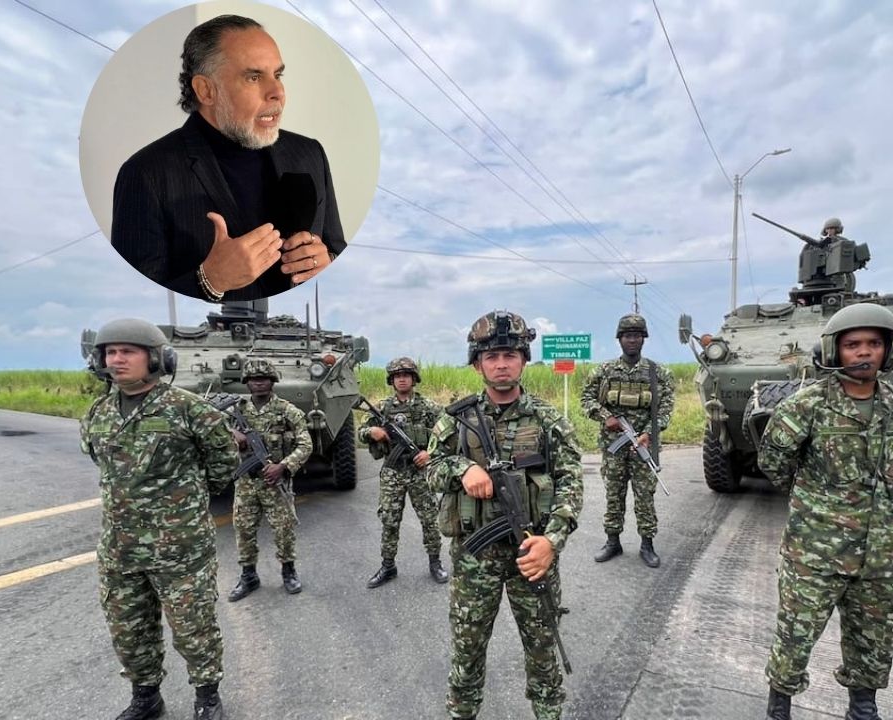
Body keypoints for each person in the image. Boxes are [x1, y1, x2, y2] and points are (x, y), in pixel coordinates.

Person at [757, 303, 893, 720]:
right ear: (834, 351)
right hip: (816, 552)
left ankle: (863, 706)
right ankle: (779, 705)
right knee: (796, 635)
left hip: (883, 556)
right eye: (853, 344)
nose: (864, 352)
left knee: (877, 637)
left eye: (874, 343)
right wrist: (818, 503)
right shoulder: (806, 406)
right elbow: (774, 462)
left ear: (890, 351)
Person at [111, 14, 345, 301]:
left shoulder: (310, 153)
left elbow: (337, 250)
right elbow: (135, 299)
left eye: (278, 75)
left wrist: (325, 262)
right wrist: (211, 280)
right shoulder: (145, 174)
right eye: (253, 77)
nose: (278, 92)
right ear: (206, 90)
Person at [426, 311, 584, 720]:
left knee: (543, 651)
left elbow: (570, 483)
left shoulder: (548, 420)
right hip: (474, 558)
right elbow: (430, 468)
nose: (501, 364)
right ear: (477, 364)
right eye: (491, 356)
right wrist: (463, 469)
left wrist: (551, 542)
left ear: (524, 361)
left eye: (510, 355)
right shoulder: (456, 419)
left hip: (532, 555)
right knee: (467, 651)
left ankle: (548, 713)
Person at [79, 318, 238, 720]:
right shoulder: (99, 411)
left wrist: (182, 504)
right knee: (129, 630)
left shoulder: (188, 409)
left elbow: (223, 464)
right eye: (110, 352)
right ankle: (146, 697)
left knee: (193, 628)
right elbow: (101, 461)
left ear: (156, 358)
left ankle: (207, 697)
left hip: (180, 548)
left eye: (127, 351)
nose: (116, 360)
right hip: (120, 549)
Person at [580, 313, 675, 568]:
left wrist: (648, 433)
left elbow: (665, 408)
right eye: (627, 336)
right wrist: (606, 417)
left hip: (643, 445)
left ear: (643, 339)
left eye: (636, 336)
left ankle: (647, 545)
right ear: (619, 339)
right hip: (614, 447)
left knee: (645, 497)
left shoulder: (658, 372)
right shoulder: (605, 371)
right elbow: (586, 399)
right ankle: (613, 541)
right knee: (614, 495)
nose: (632, 340)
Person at [226, 359, 313, 601]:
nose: (259, 383)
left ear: (272, 381)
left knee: (284, 529)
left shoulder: (287, 410)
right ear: (247, 382)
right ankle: (248, 576)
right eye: (254, 379)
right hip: (246, 482)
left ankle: (288, 572)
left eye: (264, 379)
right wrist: (233, 434)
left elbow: (306, 445)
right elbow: (214, 434)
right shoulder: (235, 411)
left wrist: (283, 466)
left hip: (275, 482)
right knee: (244, 529)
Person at [358, 357, 448, 588]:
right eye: (397, 376)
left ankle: (435, 563)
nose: (402, 379)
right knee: (389, 520)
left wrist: (430, 453)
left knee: (429, 519)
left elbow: (448, 433)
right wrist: (372, 432)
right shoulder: (383, 407)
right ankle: (388, 566)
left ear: (414, 378)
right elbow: (360, 432)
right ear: (391, 380)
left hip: (420, 471)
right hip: (393, 471)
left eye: (406, 375)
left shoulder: (428, 407)